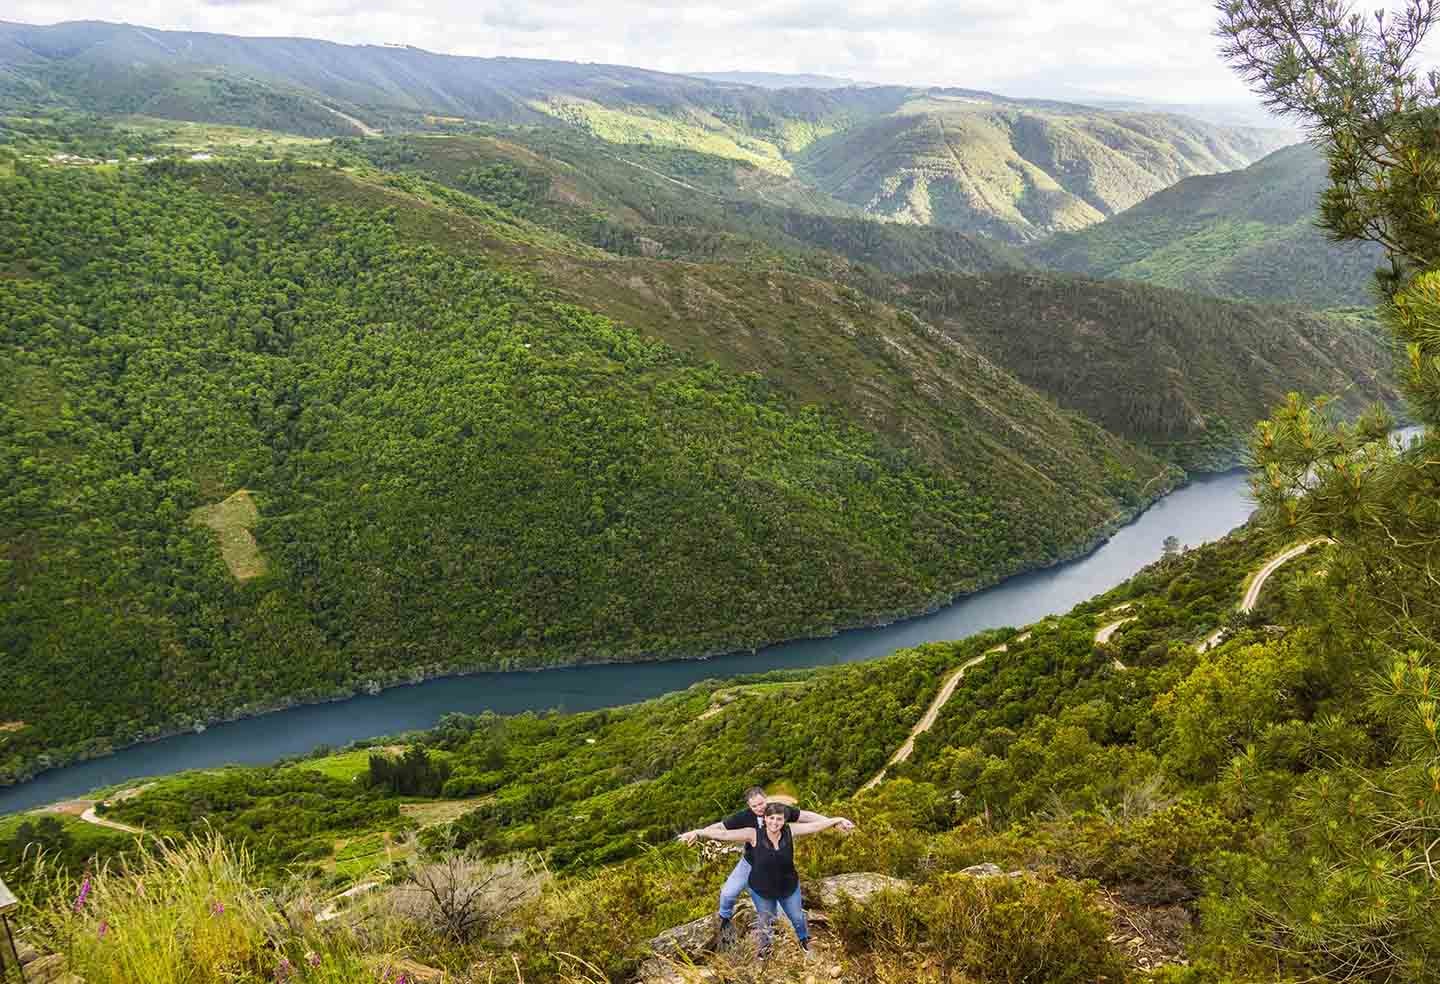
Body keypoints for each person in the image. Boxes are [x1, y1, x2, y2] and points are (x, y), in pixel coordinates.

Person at [678, 786, 854, 944]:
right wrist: (698, 833)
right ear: (749, 806)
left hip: (774, 866)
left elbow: (807, 817)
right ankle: (724, 918)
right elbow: (721, 829)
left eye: (761, 803)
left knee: (784, 915)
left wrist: (835, 822)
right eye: (754, 806)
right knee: (728, 893)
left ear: (767, 799)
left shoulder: (778, 811)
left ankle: (790, 937)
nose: (759, 808)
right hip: (750, 861)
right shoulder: (744, 817)